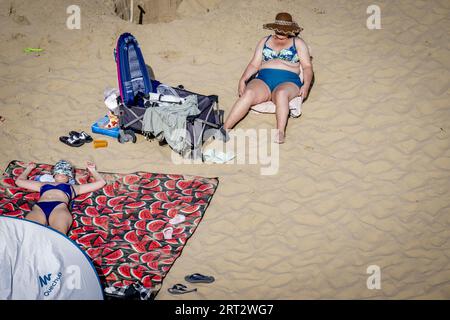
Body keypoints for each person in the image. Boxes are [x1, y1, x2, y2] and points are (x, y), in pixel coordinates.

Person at [224, 12, 314, 143]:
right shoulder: (265, 41)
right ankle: (225, 128)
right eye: (279, 30)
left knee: (282, 94)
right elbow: (254, 64)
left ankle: (280, 132)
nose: (281, 33)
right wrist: (242, 79)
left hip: (288, 81)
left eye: (284, 31)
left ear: (290, 30)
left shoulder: (298, 43)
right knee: (248, 93)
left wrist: (306, 85)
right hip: (264, 80)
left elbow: (307, 67)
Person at [15, 160, 106, 234]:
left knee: (58, 236)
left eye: (65, 174)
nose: (62, 174)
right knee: (27, 233)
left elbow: (101, 183)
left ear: (70, 177)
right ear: (53, 174)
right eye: (59, 172)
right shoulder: (42, 184)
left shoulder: (74, 187)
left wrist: (92, 170)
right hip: (39, 209)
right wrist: (29, 168)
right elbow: (19, 181)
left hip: (59, 209)